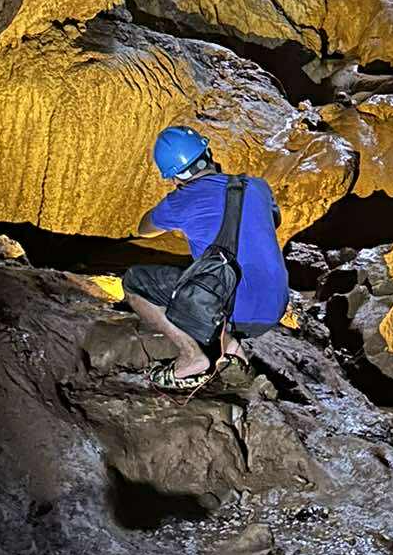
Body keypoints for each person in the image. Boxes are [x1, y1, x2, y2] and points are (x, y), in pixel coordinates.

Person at [121, 126, 290, 391]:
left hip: (237, 308)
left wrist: (176, 206)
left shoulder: (181, 199)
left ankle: (192, 358)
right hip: (275, 307)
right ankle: (232, 350)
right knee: (218, 274)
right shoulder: (257, 185)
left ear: (175, 177)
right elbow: (274, 220)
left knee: (135, 283)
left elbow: (144, 228)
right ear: (208, 153)